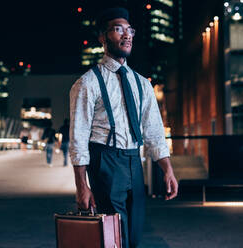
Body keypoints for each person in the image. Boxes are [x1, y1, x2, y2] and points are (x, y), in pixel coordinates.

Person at [69, 7, 178, 248]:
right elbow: (78, 137)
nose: (126, 35)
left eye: (130, 30)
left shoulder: (142, 84)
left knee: (134, 235)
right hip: (105, 162)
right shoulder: (87, 83)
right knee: (114, 235)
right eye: (118, 30)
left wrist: (167, 170)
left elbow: (154, 131)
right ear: (103, 38)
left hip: (134, 162)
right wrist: (81, 186)